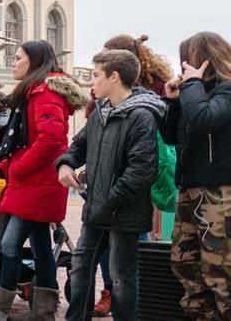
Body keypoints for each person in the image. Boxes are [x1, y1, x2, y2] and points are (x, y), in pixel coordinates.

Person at [0, 41, 87, 321]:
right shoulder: (36, 91)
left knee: (9, 244)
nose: (14, 62)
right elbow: (30, 142)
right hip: (35, 182)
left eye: (18, 58)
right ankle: (43, 311)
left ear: (34, 61)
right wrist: (4, 167)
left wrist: (17, 170)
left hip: (37, 183)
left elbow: (51, 141)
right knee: (41, 247)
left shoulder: (45, 93)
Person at [57, 49, 161, 321]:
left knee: (121, 276)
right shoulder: (100, 112)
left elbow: (141, 171)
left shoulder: (142, 116)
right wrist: (66, 164)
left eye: (95, 75)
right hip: (98, 210)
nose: (91, 82)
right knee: (80, 267)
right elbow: (78, 145)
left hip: (123, 214)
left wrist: (106, 200)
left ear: (114, 77)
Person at [90, 33, 175, 317]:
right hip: (106, 172)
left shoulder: (156, 88)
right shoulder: (102, 89)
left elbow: (166, 127)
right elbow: (94, 117)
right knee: (107, 238)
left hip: (139, 171)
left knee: (134, 235)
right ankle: (111, 291)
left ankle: (141, 292)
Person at [162, 31, 231, 319]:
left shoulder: (226, 90)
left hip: (218, 191)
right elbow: (168, 136)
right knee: (185, 263)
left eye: (187, 60)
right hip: (190, 188)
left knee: (219, 269)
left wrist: (191, 86)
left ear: (204, 59)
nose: (183, 67)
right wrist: (174, 101)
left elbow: (205, 120)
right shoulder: (194, 94)